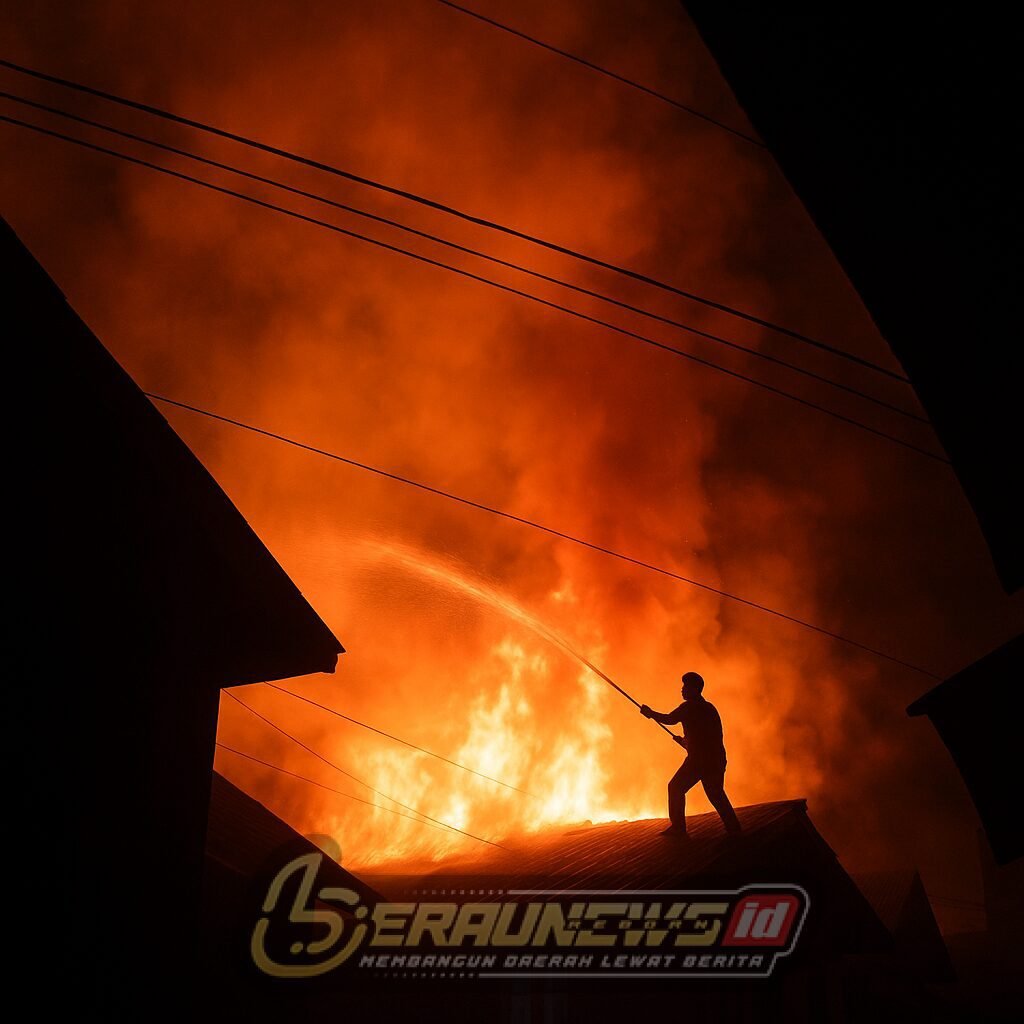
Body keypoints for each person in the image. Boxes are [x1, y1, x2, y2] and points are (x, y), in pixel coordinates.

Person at [641, 671, 742, 837]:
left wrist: (650, 713)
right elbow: (707, 738)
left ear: (694, 689)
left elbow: (669, 719)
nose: (682, 690)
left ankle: (678, 828)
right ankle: (734, 828)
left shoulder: (689, 707)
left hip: (699, 761)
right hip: (716, 759)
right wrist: (684, 742)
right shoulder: (709, 708)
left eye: (685, 687)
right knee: (716, 793)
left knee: (675, 787)